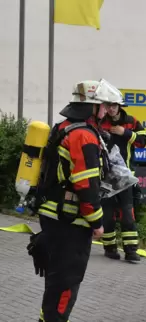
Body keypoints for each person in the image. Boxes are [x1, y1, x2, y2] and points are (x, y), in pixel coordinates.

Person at [26, 79, 124, 322]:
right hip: (70, 222)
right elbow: (86, 185)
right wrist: (96, 221)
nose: (107, 111)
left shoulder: (65, 127)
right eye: (104, 106)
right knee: (65, 285)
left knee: (56, 283)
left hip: (54, 216)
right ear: (93, 107)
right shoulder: (84, 136)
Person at [100, 99, 146, 262]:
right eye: (108, 106)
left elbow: (143, 141)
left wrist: (125, 133)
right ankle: (110, 248)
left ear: (120, 106)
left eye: (113, 106)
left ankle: (131, 251)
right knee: (107, 215)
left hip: (124, 176)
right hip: (105, 176)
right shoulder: (101, 122)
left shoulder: (131, 122)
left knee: (127, 214)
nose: (111, 109)